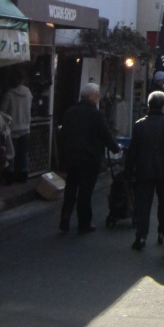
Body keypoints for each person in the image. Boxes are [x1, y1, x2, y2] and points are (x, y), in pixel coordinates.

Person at [126, 90, 164, 251]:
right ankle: (162, 233)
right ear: (163, 107)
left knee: (143, 205)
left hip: (144, 170)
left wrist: (128, 171)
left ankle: (141, 237)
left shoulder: (139, 124)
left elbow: (133, 150)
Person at [58, 83, 121, 233]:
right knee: (85, 191)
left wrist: (63, 155)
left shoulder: (70, 112)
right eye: (97, 95)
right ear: (92, 96)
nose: (99, 98)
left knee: (71, 188)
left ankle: (65, 216)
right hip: (89, 158)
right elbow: (105, 135)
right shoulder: (96, 114)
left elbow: (63, 135)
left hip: (72, 157)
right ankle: (84, 222)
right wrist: (116, 148)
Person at [0, 72, 33, 182]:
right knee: (23, 153)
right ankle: (23, 175)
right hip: (25, 127)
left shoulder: (9, 94)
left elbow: (2, 111)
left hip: (12, 128)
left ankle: (10, 175)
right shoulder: (28, 93)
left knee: (11, 153)